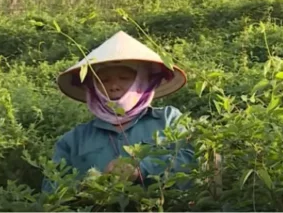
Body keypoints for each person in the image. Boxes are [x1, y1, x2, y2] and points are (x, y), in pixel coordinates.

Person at [48, 31, 193, 187]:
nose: (114, 87)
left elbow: (193, 158)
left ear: (143, 80)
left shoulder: (169, 119)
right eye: (104, 80)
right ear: (93, 87)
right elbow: (52, 185)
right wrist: (90, 185)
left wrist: (141, 170)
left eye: (124, 78)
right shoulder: (74, 140)